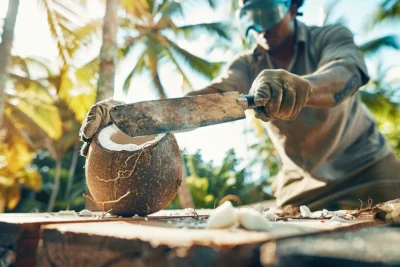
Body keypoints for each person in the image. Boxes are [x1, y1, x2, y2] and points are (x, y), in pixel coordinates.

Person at [80, 0, 400, 211]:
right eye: (251, 16)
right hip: (300, 192)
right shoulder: (246, 66)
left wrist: (302, 86)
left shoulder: (330, 36)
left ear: (292, 6)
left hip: (371, 173)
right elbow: (208, 99)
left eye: (267, 12)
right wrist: (128, 114)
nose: (261, 27)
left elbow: (346, 72)